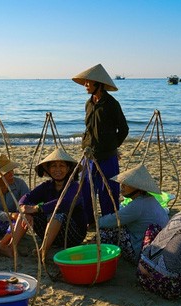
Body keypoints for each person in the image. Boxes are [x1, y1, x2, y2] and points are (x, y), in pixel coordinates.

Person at [0, 148, 89, 261]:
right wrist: (25, 209)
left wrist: (37, 208)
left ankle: (43, 251)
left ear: (68, 169)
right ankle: (11, 247)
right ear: (48, 169)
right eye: (53, 166)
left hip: (73, 235)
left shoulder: (74, 187)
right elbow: (26, 198)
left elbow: (63, 203)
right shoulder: (47, 186)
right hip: (52, 234)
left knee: (57, 213)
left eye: (62, 166)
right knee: (24, 213)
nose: (57, 169)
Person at [72, 63, 129, 219]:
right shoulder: (88, 104)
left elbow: (124, 129)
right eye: (85, 82)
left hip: (107, 157)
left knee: (108, 191)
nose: (85, 85)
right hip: (88, 155)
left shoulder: (112, 104)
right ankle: (89, 220)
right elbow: (88, 129)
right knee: (86, 189)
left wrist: (112, 147)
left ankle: (109, 221)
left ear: (99, 84)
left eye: (88, 82)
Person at [98, 165, 170, 264]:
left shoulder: (138, 205)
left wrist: (97, 222)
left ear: (138, 188)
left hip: (141, 253)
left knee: (106, 231)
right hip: (155, 249)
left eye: (126, 184)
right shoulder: (150, 200)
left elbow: (114, 220)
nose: (122, 186)